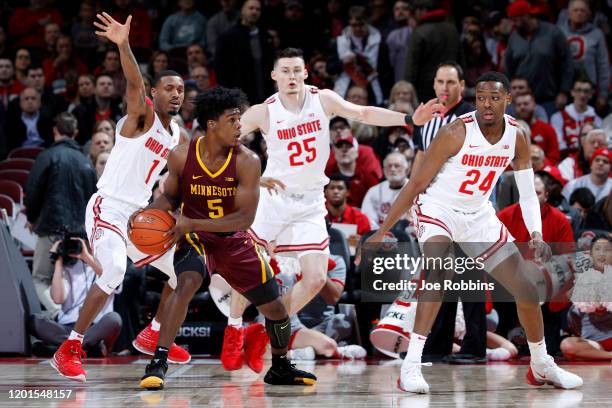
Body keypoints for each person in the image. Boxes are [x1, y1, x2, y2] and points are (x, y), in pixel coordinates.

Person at [225, 47, 443, 371]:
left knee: (314, 279)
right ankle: (233, 328)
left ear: (306, 73)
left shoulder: (322, 99)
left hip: (311, 202)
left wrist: (409, 118)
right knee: (247, 269)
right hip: (274, 201)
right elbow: (220, 141)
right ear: (274, 76)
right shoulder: (263, 111)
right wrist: (252, 176)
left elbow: (365, 114)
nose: (292, 77)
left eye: (297, 70)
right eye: (285, 71)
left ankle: (264, 331)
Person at [368, 71, 582, 393]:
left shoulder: (517, 135)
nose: (486, 104)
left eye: (494, 98)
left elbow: (526, 192)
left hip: (478, 213)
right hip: (438, 208)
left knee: (525, 287)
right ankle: (410, 366)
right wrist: (382, 229)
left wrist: (536, 233)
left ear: (507, 100)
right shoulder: (457, 131)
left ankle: (541, 365)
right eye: (481, 98)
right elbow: (416, 183)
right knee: (439, 272)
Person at [138, 86, 316, 389]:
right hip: (196, 241)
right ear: (212, 124)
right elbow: (169, 197)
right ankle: (158, 362)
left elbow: (243, 219)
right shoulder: (181, 155)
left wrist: (189, 222)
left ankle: (281, 366)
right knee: (186, 284)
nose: (240, 126)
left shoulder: (248, 160)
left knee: (276, 308)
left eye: (240, 119)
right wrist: (149, 216)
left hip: (233, 240)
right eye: (233, 120)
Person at [51, 13, 189, 383]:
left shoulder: (180, 136)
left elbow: (196, 172)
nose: (176, 93)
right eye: (169, 88)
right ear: (154, 93)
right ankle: (70, 348)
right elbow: (132, 81)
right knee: (113, 269)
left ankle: (154, 333)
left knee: (186, 273)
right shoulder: (141, 116)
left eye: (181, 89)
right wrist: (123, 44)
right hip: (106, 207)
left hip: (136, 217)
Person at [25, 112, 98, 315]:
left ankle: (60, 315)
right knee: (75, 281)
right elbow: (94, 199)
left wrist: (31, 218)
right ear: (75, 132)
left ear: (55, 131)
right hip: (81, 234)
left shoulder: (47, 156)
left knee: (40, 279)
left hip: (51, 228)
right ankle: (75, 320)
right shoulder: (86, 161)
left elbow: (33, 191)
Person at [30, 237, 122, 355]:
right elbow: (58, 299)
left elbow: (114, 282)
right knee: (35, 320)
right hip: (68, 327)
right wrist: (57, 260)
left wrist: (86, 257)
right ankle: (85, 349)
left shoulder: (106, 265)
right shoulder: (66, 268)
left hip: (94, 328)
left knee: (114, 319)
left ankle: (60, 349)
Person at [560, 235, 612, 360]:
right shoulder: (580, 279)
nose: (602, 254)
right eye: (597, 249)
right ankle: (608, 356)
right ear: (591, 254)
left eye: (607, 250)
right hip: (595, 343)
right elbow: (567, 316)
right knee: (567, 345)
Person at [551, 78, 602, 156]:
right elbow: (559, 145)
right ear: (572, 92)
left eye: (586, 91)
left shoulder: (597, 120)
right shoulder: (558, 117)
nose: (582, 95)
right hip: (565, 158)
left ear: (591, 94)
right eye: (579, 90)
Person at [362, 152, 410, 229]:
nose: (392, 169)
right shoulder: (374, 191)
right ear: (383, 170)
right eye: (389, 166)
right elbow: (367, 218)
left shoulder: (415, 189)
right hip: (378, 235)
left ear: (407, 170)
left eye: (397, 166)